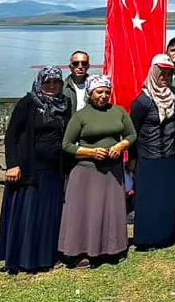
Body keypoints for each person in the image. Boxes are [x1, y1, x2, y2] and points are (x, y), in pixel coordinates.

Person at [0, 66, 70, 274]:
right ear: (40, 83)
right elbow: (11, 136)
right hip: (30, 170)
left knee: (49, 215)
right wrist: (13, 164)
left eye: (56, 82)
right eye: (48, 82)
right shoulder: (28, 102)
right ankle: (26, 258)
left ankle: (48, 256)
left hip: (54, 169)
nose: (52, 86)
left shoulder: (65, 103)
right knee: (29, 215)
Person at [58, 75, 137, 268]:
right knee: (86, 212)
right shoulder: (80, 116)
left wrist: (121, 146)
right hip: (86, 173)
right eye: (99, 92)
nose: (103, 96)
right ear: (90, 93)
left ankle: (111, 249)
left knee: (111, 210)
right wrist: (91, 152)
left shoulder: (118, 112)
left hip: (112, 172)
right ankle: (81, 252)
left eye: (107, 92)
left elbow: (131, 134)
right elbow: (66, 145)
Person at [130, 55, 175, 250]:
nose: (165, 75)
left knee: (167, 198)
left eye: (169, 72)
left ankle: (166, 236)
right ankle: (146, 239)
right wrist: (132, 159)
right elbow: (133, 131)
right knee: (148, 199)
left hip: (171, 155)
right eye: (161, 71)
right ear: (153, 72)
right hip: (149, 156)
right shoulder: (143, 101)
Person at [63, 50, 91, 115]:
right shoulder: (62, 88)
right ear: (70, 67)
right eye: (76, 63)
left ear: (88, 66)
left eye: (84, 63)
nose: (80, 67)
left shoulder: (95, 87)